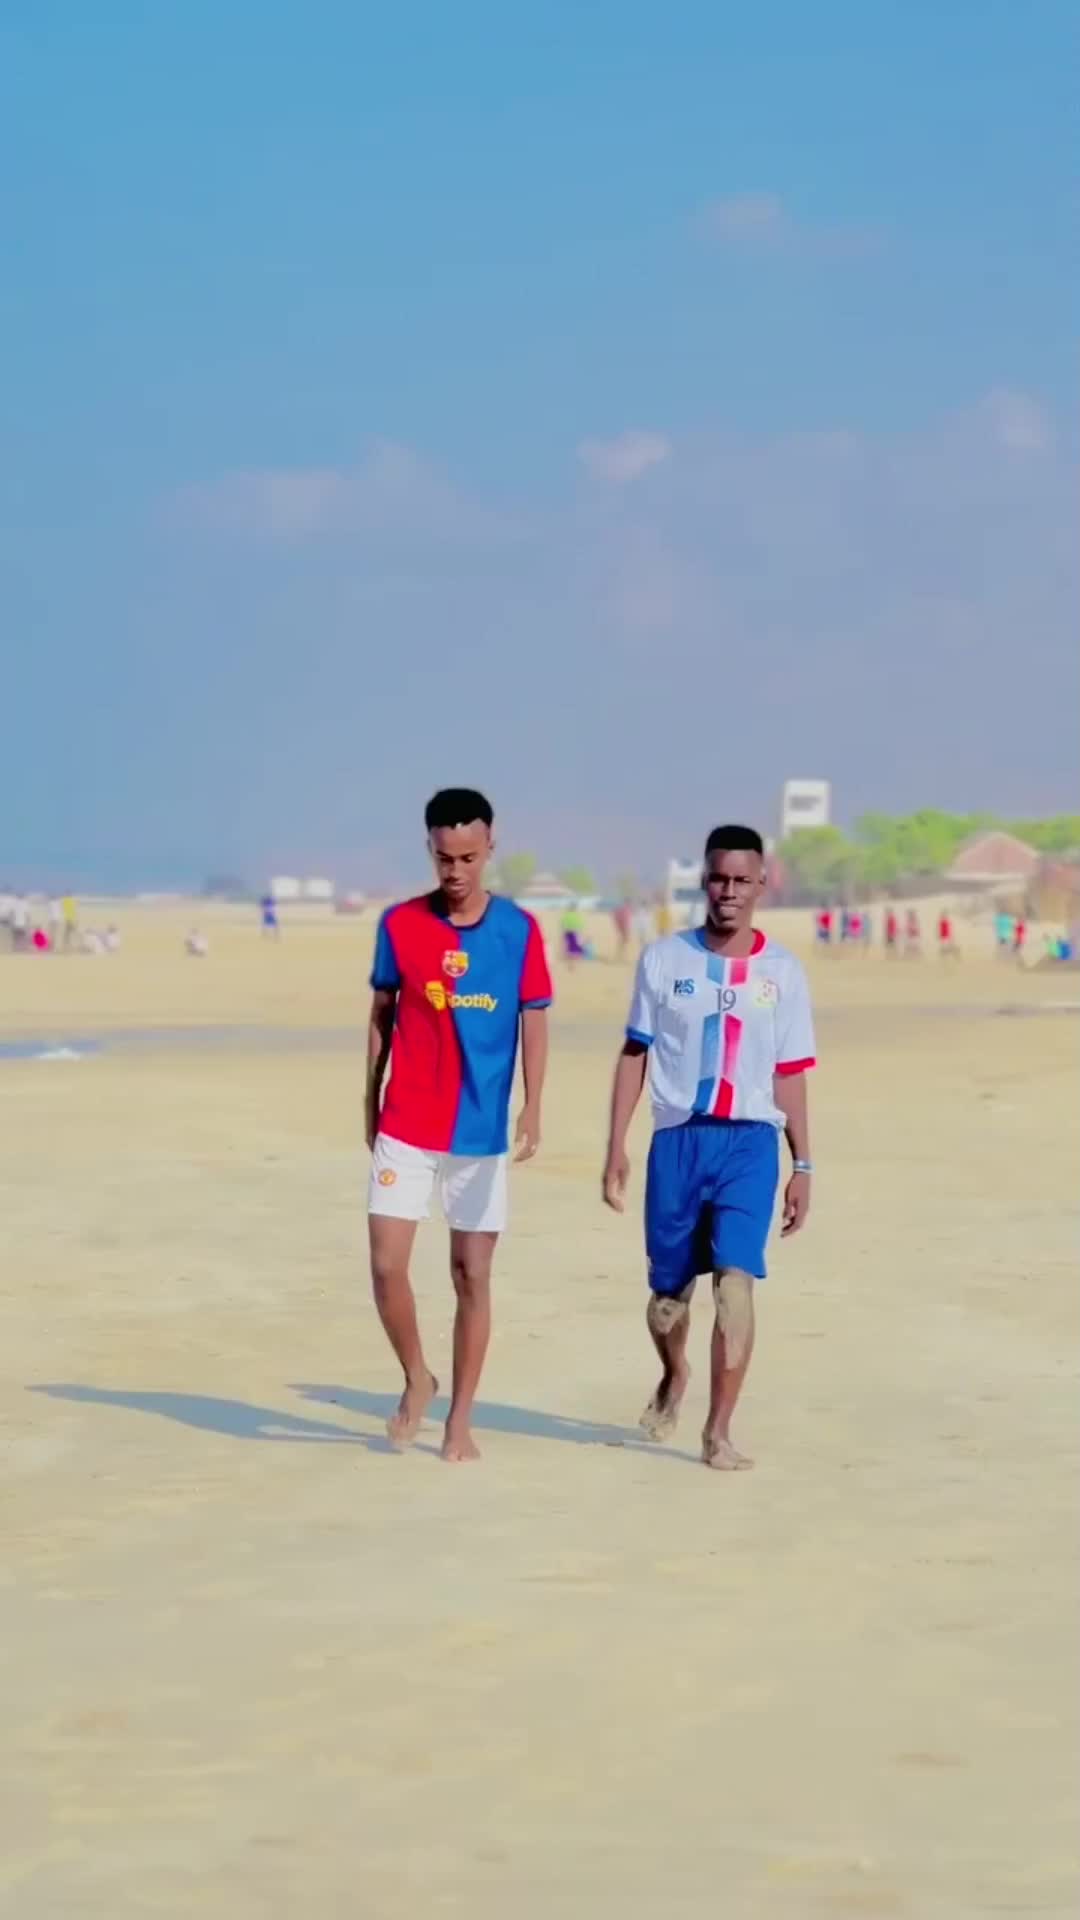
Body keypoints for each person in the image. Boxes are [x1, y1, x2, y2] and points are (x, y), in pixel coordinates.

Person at [602, 823, 815, 1472]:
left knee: (735, 1287)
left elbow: (790, 1072)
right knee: (668, 1302)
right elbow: (634, 1052)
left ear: (761, 884)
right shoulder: (664, 961)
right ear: (705, 880)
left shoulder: (783, 973)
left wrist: (803, 1163)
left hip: (750, 1144)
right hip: (678, 1143)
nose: (729, 891)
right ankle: (674, 1373)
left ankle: (717, 1432)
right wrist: (616, 1145)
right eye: (719, 878)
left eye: (742, 880)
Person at [366, 787, 552, 1463]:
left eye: (468, 857)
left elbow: (534, 1016)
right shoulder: (399, 925)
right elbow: (382, 1015)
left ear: (489, 848)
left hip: (480, 1128)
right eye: (445, 858)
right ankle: (417, 1374)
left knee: (471, 1273)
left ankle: (459, 1421)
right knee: (386, 1264)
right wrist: (369, 1098)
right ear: (430, 849)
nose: (456, 871)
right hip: (407, 1119)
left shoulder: (519, 931)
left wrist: (533, 1102)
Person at [560, 901, 586, 966]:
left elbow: (563, 923)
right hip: (575, 931)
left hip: (568, 931)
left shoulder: (566, 915)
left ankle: (570, 957)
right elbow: (580, 924)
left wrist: (563, 930)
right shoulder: (576, 915)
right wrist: (581, 931)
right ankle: (575, 957)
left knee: (569, 944)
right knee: (576, 944)